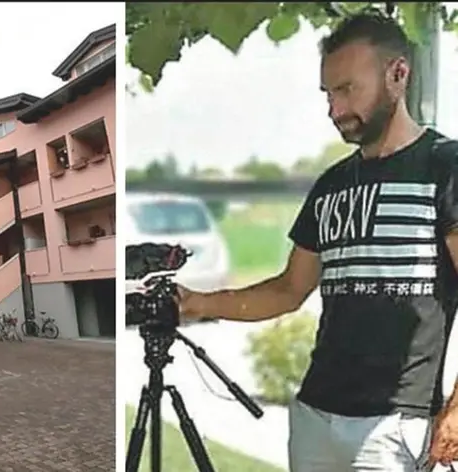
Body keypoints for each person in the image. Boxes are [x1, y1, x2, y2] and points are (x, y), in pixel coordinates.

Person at [174, 12, 458, 472]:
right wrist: (199, 304)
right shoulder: (331, 185)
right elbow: (289, 290)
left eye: (347, 89)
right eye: (328, 94)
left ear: (398, 74)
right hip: (313, 418)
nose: (334, 109)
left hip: (394, 428)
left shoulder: (446, 167)